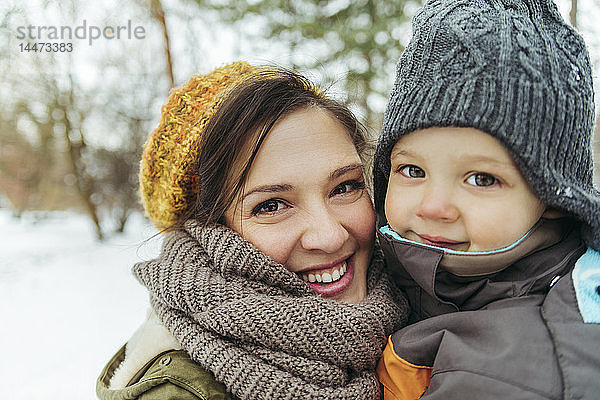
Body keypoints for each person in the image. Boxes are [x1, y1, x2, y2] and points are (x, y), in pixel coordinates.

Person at [96, 62, 408, 400]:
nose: (330, 235)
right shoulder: (179, 392)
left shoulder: (420, 303)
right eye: (271, 206)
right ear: (207, 233)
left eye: (345, 187)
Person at [372, 0, 600, 399]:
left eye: (481, 179)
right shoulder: (407, 277)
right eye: (412, 171)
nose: (433, 207)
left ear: (553, 196)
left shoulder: (511, 369)